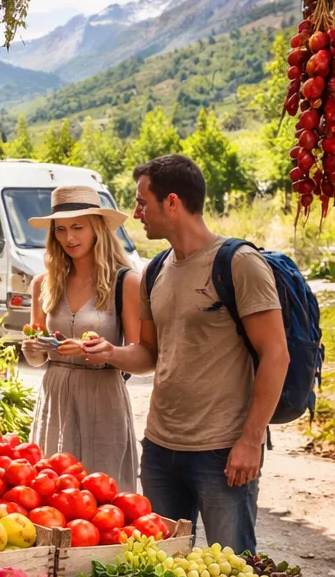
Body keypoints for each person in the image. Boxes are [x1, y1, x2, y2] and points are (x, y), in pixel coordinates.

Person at [79, 154, 289, 553]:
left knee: (233, 572)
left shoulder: (239, 263)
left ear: (172, 202)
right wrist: (110, 352)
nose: (136, 213)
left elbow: (276, 355)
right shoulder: (155, 270)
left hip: (221, 451)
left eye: (142, 202)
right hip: (160, 449)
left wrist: (250, 440)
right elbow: (148, 353)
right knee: (162, 571)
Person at [22, 183, 141, 491]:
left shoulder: (125, 282)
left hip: (103, 398)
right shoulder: (42, 284)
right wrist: (33, 348)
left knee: (104, 498)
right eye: (60, 229)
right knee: (52, 493)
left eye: (78, 227)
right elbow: (36, 358)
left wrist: (104, 352)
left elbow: (142, 355)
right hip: (55, 396)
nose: (69, 238)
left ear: (97, 229)